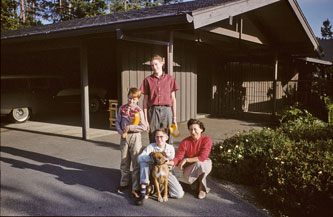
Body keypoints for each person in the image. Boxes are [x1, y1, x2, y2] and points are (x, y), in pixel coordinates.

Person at [136, 128, 184, 205]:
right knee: (143, 163)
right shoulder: (151, 146)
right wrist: (151, 159)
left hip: (166, 170)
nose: (159, 139)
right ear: (154, 137)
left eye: (161, 136)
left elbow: (172, 164)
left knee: (179, 194)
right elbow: (139, 158)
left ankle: (165, 191)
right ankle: (143, 190)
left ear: (166, 137)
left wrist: (168, 163)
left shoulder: (170, 148)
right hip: (153, 168)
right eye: (157, 137)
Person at [167, 119, 212, 199]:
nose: (193, 132)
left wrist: (186, 160)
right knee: (189, 178)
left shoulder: (207, 139)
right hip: (190, 165)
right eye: (191, 129)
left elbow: (203, 157)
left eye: (195, 129)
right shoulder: (185, 142)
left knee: (200, 164)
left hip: (204, 162)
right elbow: (178, 157)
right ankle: (196, 183)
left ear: (201, 129)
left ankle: (202, 189)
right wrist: (170, 162)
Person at [140, 54, 179, 143]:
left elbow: (173, 99)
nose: (154, 67)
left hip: (167, 110)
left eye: (156, 64)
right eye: (152, 65)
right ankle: (154, 156)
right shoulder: (147, 80)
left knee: (168, 134)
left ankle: (168, 156)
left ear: (162, 63)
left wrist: (174, 118)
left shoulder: (170, 79)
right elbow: (145, 101)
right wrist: (146, 120)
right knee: (153, 135)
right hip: (153, 111)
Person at [115, 87, 147, 198]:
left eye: (134, 99)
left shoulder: (139, 111)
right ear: (127, 97)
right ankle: (124, 183)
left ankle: (135, 187)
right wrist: (121, 132)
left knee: (136, 161)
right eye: (129, 98)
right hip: (124, 137)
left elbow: (143, 127)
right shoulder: (122, 108)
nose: (131, 101)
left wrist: (131, 127)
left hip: (135, 137)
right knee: (124, 161)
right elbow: (117, 122)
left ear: (138, 99)